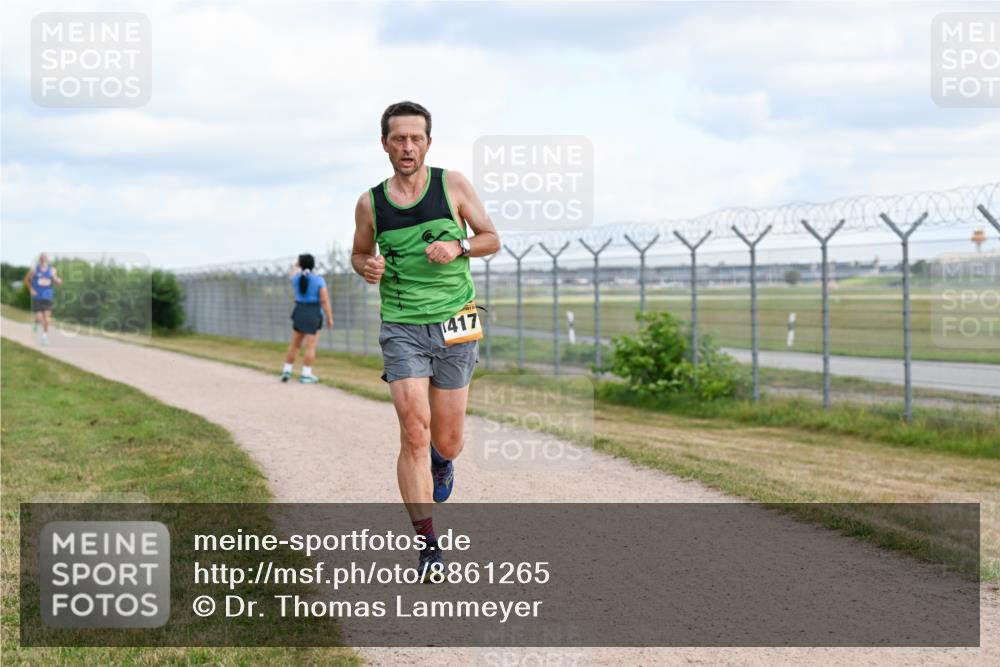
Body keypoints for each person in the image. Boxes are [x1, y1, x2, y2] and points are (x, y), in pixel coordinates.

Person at [351, 101, 501, 581]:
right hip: (402, 327)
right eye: (399, 139)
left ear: (428, 143)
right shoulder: (370, 203)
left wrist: (459, 245)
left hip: (456, 321)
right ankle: (428, 545)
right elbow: (359, 253)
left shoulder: (452, 185)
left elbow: (491, 238)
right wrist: (366, 266)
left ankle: (442, 461)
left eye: (416, 138)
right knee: (414, 430)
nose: (407, 147)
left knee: (448, 439)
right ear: (385, 144)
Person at [281, 254, 334, 383]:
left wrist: (297, 264)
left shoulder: (296, 278)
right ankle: (306, 374)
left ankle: (287, 371)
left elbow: (292, 271)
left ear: (300, 264)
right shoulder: (319, 280)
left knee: (294, 345)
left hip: (299, 312)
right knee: (310, 347)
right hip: (313, 314)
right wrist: (329, 318)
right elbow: (324, 300)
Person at [23, 253, 62, 346]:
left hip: (47, 297)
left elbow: (57, 281)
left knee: (47, 318)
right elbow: (26, 280)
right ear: (39, 260)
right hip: (37, 297)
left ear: (47, 260)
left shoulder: (52, 270)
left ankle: (44, 337)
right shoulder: (34, 270)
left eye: (45, 259)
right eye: (42, 259)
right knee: (40, 318)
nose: (44, 260)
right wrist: (31, 289)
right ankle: (36, 323)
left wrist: (57, 280)